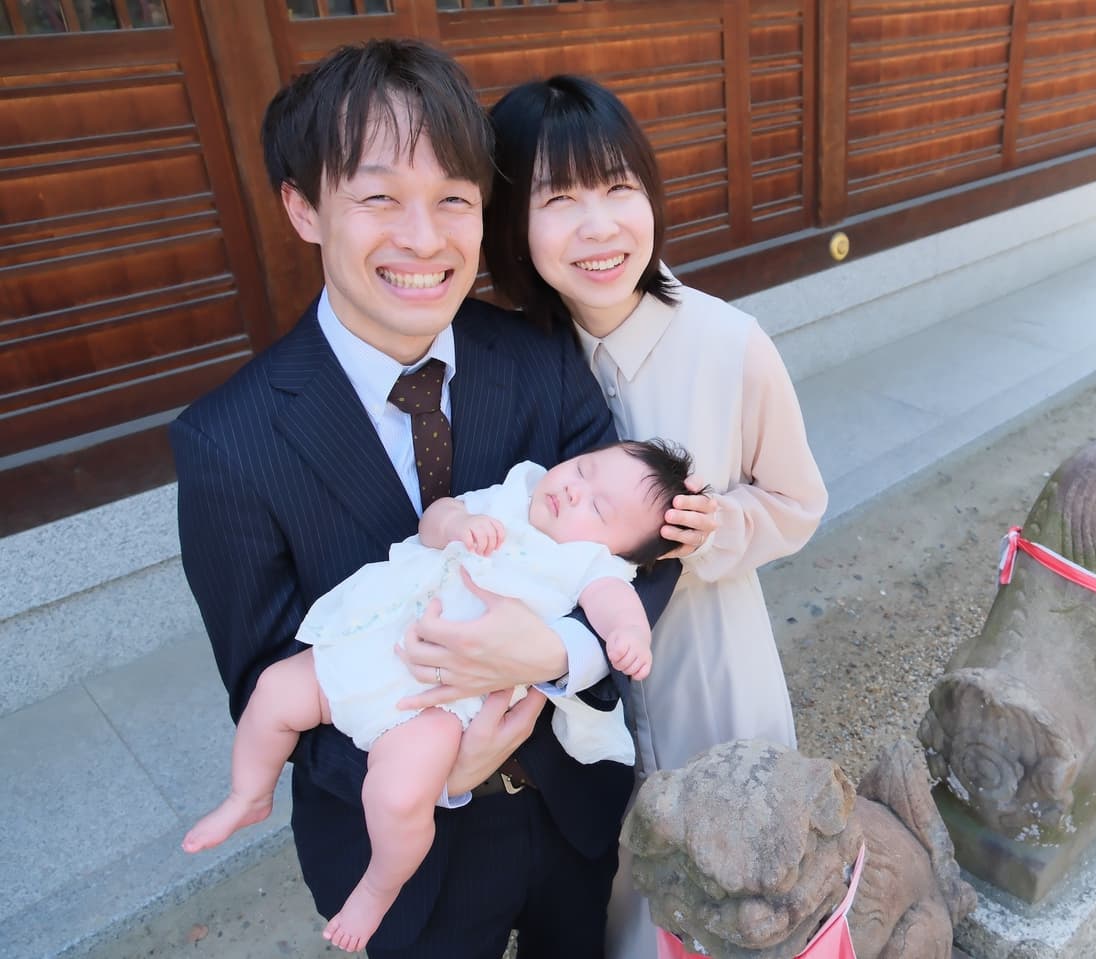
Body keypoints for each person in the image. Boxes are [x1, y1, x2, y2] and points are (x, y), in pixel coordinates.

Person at [170, 41, 680, 959]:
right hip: (400, 856)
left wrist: (561, 646)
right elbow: (267, 681)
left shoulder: (537, 353)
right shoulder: (228, 443)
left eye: (454, 197)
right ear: (303, 208)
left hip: (573, 808)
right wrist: (445, 770)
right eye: (378, 198)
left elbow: (644, 543)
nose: (424, 237)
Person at [483, 74, 829, 958]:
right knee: (607, 897)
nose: (599, 228)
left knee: (727, 885)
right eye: (560, 198)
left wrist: (719, 529)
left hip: (708, 662)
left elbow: (798, 501)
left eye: (618, 189)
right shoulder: (512, 361)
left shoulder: (729, 343)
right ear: (511, 219)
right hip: (569, 698)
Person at [182, 439, 693, 952]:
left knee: (400, 795)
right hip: (370, 643)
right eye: (582, 470)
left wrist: (630, 637)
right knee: (273, 690)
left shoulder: (590, 566)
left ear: (618, 550)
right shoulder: (515, 492)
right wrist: (455, 525)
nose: (574, 491)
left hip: (435, 701)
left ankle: (379, 887)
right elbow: (437, 517)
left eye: (599, 508)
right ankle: (248, 794)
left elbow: (616, 606)